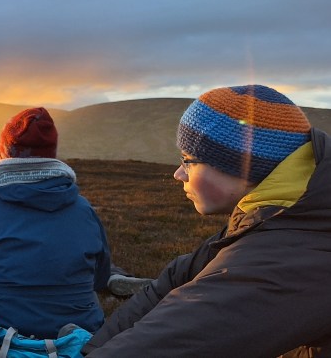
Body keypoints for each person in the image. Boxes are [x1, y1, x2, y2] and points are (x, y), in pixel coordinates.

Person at [84, 84, 331, 357]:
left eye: (188, 160)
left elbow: (167, 341)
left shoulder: (285, 258)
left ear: (241, 165)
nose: (179, 174)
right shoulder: (280, 213)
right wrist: (91, 350)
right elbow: (175, 279)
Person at [0, 107, 114, 338]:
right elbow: (100, 279)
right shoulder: (83, 207)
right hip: (79, 326)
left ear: (5, 150)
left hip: (2, 324)